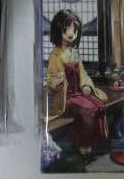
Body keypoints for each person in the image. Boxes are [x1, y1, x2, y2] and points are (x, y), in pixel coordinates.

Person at [46, 10, 108, 161]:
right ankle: (82, 145)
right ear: (58, 31)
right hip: (65, 96)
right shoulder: (55, 55)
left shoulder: (74, 52)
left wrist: (86, 85)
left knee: (99, 106)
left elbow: (82, 72)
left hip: (78, 92)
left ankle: (93, 144)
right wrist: (57, 83)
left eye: (74, 30)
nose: (71, 33)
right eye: (66, 29)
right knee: (88, 109)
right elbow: (51, 77)